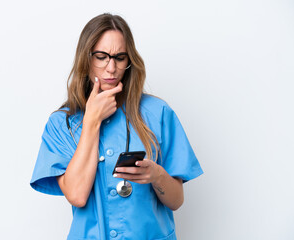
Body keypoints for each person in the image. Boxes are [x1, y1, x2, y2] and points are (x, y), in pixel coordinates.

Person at [30, 13, 203, 240]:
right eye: (101, 56)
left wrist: (157, 175)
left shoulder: (158, 113)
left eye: (120, 57)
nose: (111, 68)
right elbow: (77, 195)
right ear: (86, 58)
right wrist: (92, 120)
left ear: (129, 61)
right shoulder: (62, 123)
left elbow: (176, 201)